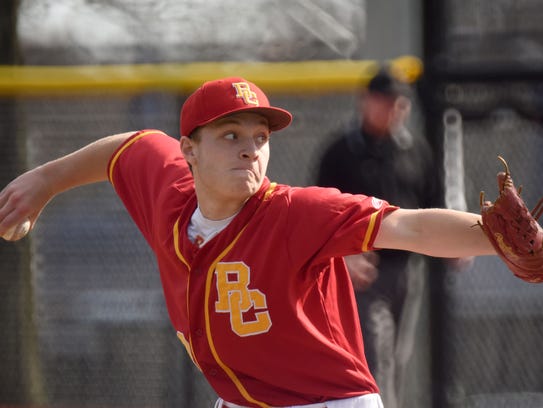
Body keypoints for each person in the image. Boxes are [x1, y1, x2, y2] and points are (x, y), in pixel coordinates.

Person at [0, 77, 495, 408]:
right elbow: (126, 148)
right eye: (230, 135)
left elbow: (408, 226)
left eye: (260, 137)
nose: (250, 149)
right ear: (189, 151)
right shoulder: (170, 195)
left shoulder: (295, 212)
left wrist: (500, 239)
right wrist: (46, 180)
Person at [316, 68, 440, 407]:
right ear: (365, 102)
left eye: (401, 103)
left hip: (406, 270)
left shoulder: (415, 149)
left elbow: (433, 201)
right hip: (362, 272)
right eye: (385, 101)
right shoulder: (340, 151)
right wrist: (342, 255)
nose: (394, 109)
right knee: (375, 356)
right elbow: (322, 214)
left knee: (398, 356)